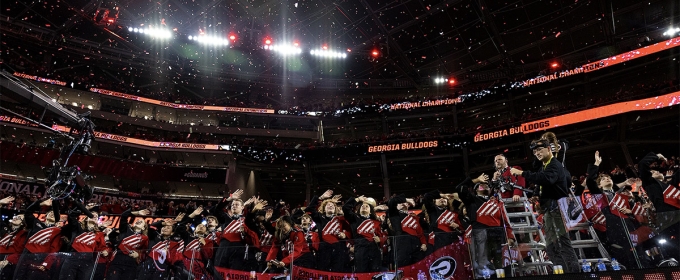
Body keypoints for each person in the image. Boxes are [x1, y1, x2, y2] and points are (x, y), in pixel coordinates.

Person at [510, 139, 579, 273]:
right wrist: (537, 195)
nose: (537, 153)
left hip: (557, 209)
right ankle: (562, 272)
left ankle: (574, 274)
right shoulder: (545, 165)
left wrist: (522, 173)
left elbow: (547, 179)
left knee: (562, 244)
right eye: (535, 151)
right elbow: (543, 182)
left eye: (540, 150)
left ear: (548, 148)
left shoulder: (554, 164)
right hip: (549, 209)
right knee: (552, 246)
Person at [454, 174, 515, 278]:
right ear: (476, 189)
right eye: (481, 185)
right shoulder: (471, 200)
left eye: (487, 185)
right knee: (482, 263)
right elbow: (459, 188)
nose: (485, 186)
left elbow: (505, 221)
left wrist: (510, 236)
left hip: (497, 236)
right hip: (479, 236)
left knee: (499, 263)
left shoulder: (497, 202)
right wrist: (476, 179)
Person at [304, 190, 351, 272]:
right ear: (323, 209)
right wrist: (321, 198)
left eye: (332, 205)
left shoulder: (341, 219)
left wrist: (345, 235)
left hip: (339, 250)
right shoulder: (319, 218)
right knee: (323, 273)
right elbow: (309, 209)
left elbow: (352, 230)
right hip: (323, 251)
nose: (330, 206)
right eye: (328, 205)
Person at [343, 196, 386, 272]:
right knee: (361, 272)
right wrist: (358, 199)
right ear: (359, 210)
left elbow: (382, 236)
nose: (364, 207)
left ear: (370, 211)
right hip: (360, 250)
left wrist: (380, 240)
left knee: (375, 272)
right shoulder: (354, 219)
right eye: (362, 206)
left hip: (374, 250)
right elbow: (346, 208)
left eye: (367, 206)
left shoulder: (376, 222)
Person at [105, 208, 150, 280]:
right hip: (118, 262)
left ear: (144, 227)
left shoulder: (145, 238)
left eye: (141, 221)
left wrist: (138, 255)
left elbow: (145, 252)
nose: (138, 221)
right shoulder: (125, 229)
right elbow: (124, 215)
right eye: (137, 220)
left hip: (131, 264)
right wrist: (137, 212)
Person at [387, 194, 427, 267]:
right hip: (402, 247)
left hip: (416, 248)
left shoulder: (415, 218)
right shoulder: (394, 215)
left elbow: (420, 233)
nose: (402, 203)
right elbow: (392, 202)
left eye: (404, 203)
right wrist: (405, 200)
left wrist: (424, 243)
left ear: (409, 205)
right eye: (400, 202)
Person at [0, 197, 26, 280]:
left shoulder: (23, 234)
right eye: (16, 216)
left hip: (6, 261)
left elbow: (20, 250)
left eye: (19, 218)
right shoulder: (6, 230)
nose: (15, 217)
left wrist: (8, 260)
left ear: (23, 223)